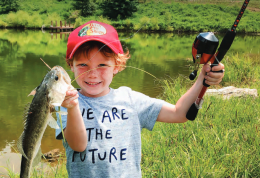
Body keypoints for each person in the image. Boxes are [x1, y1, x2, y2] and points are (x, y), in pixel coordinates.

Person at [55, 20, 224, 177]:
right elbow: (78, 145)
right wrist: (72, 107)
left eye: (102, 65)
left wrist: (203, 78)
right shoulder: (66, 103)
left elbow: (179, 113)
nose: (92, 74)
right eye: (83, 64)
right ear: (71, 65)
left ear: (117, 65)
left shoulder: (130, 99)